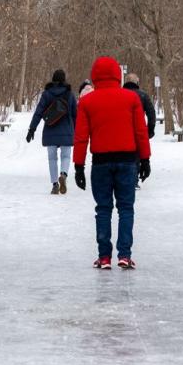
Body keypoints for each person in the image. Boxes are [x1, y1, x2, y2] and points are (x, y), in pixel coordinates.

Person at [73, 56, 151, 270]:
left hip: (101, 163)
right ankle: (124, 254)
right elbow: (140, 132)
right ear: (118, 75)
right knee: (126, 208)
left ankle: (104, 256)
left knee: (103, 209)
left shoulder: (87, 102)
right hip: (127, 161)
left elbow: (81, 137)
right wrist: (145, 159)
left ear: (95, 76)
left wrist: (78, 165)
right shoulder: (131, 99)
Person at [26, 69, 78, 195]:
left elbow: (38, 112)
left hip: (51, 130)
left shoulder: (47, 94)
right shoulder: (70, 95)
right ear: (64, 79)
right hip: (66, 130)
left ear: (53, 79)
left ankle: (55, 184)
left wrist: (32, 129)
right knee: (66, 156)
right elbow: (75, 115)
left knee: (52, 158)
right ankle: (63, 175)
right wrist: (76, 131)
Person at [123, 73, 156, 139]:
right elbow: (151, 114)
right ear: (137, 82)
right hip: (139, 131)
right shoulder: (143, 95)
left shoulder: (119, 95)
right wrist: (150, 131)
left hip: (122, 132)